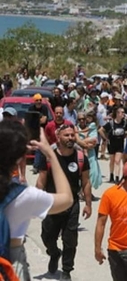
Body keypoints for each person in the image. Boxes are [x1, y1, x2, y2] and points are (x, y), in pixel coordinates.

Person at [1, 120, 73, 281]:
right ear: (20, 158)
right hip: (10, 258)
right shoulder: (23, 195)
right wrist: (50, 154)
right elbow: (67, 199)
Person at [36, 124, 92, 281]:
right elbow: (41, 181)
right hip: (51, 204)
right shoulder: (49, 158)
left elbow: (86, 182)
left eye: (72, 135)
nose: (70, 138)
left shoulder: (81, 159)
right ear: (58, 137)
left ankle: (67, 269)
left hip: (71, 205)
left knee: (70, 241)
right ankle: (54, 253)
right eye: (66, 135)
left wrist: (88, 204)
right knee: (47, 237)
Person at [98, 107, 127, 183]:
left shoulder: (125, 123)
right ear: (117, 113)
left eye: (123, 112)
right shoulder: (111, 123)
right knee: (112, 160)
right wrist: (105, 138)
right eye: (121, 112)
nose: (123, 114)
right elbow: (100, 130)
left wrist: (125, 137)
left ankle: (117, 177)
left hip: (120, 144)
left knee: (117, 161)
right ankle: (111, 175)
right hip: (112, 144)